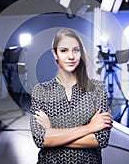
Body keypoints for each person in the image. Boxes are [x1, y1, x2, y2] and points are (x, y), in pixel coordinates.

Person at [30, 28, 113, 164]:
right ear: (55, 54)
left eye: (76, 50)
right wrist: (89, 128)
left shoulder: (97, 89)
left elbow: (100, 140)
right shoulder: (41, 91)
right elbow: (41, 139)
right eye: (64, 51)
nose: (71, 56)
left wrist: (51, 132)